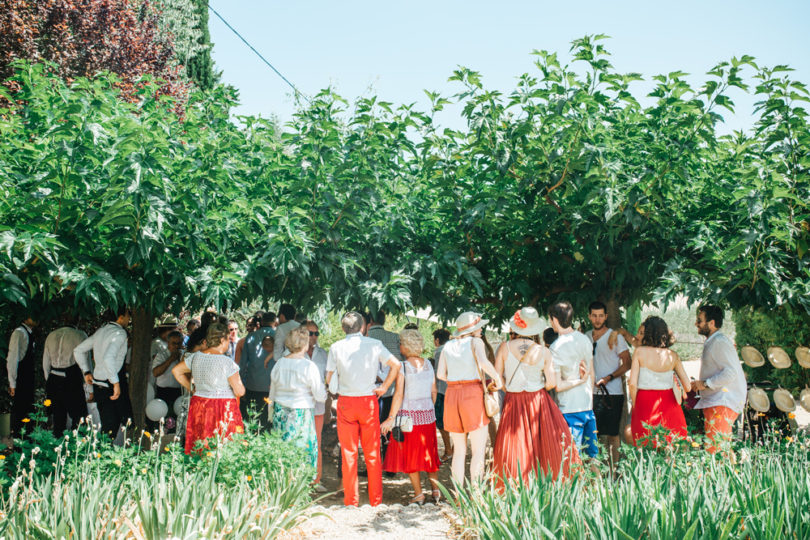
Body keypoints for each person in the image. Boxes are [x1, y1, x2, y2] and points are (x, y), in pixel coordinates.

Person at [493, 308, 581, 487]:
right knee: (545, 445)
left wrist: (508, 387)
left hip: (513, 401)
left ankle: (517, 486)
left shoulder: (504, 348)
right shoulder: (544, 352)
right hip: (538, 402)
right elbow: (550, 384)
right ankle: (547, 485)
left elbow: (497, 379)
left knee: (515, 445)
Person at [325, 311, 400, 507]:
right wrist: (384, 387)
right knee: (373, 452)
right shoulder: (374, 345)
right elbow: (396, 364)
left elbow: (328, 377)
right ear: (363, 327)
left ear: (343, 328)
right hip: (368, 401)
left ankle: (351, 500)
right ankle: (376, 499)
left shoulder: (336, 347)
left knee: (348, 452)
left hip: (346, 402)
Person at [436, 311, 502, 487]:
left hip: (452, 394)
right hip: (472, 393)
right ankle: (476, 493)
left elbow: (441, 374)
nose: (481, 329)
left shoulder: (448, 346)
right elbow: (483, 362)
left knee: (459, 450)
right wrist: (497, 379)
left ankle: (458, 495)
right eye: (479, 326)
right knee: (478, 450)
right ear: (472, 329)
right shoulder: (476, 342)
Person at [381, 329, 441, 504]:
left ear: (406, 346)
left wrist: (391, 418)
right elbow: (434, 391)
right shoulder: (429, 365)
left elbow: (398, 395)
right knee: (430, 454)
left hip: (409, 418)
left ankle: (419, 494)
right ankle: (436, 492)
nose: (399, 347)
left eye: (401, 343)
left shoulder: (403, 367)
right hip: (428, 417)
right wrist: (428, 407)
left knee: (411, 455)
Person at [172, 323, 245, 454]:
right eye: (227, 339)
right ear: (222, 340)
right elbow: (240, 391)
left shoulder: (196, 357)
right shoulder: (227, 362)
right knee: (223, 444)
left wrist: (191, 388)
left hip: (199, 403)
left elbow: (176, 371)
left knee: (200, 441)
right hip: (222, 406)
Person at [268, 325, 326, 472]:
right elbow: (320, 395)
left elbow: (272, 390)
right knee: (301, 451)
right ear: (305, 345)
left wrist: (270, 411)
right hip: (301, 413)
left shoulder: (280, 363)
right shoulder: (308, 366)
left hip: (280, 411)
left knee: (282, 450)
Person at [691, 305, 747, 454]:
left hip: (722, 401)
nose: (696, 323)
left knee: (716, 452)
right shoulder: (714, 341)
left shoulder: (719, 342)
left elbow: (730, 373)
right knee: (722, 450)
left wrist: (705, 384)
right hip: (717, 401)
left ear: (712, 323)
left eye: (699, 320)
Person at [629, 316, 691, 447]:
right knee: (672, 446)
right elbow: (688, 386)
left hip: (644, 401)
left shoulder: (639, 352)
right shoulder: (672, 355)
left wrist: (635, 404)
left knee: (645, 446)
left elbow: (633, 383)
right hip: (669, 402)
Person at [548, 301, 598, 460]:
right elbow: (592, 373)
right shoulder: (584, 340)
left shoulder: (555, 347)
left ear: (555, 319)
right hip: (587, 405)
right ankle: (598, 485)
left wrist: (579, 381)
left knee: (571, 458)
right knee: (592, 457)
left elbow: (558, 386)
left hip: (569, 408)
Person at [74, 307, 132, 436]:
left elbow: (78, 350)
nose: (129, 319)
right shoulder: (120, 333)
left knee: (109, 426)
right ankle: (103, 453)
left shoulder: (100, 331)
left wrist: (86, 372)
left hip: (98, 385)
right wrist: (116, 383)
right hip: (111, 385)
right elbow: (108, 357)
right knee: (113, 427)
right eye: (128, 315)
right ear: (121, 317)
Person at [585, 301, 631, 465]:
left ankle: (614, 472)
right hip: (591, 393)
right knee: (592, 434)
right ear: (589, 316)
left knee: (612, 435)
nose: (597, 319)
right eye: (594, 316)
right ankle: (596, 473)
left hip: (612, 393)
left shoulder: (615, 336)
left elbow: (628, 363)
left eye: (600, 316)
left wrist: (609, 378)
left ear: (606, 316)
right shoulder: (585, 336)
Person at [366, 309, 403, 469]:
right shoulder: (395, 337)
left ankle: (373, 465)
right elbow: (399, 363)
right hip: (393, 389)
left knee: (372, 429)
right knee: (389, 427)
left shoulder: (366, 339)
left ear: (370, 321)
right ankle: (390, 464)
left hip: (372, 389)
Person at [42, 318, 88, 436]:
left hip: (53, 378)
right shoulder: (80, 335)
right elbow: (86, 363)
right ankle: (76, 446)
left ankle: (58, 444)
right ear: (78, 321)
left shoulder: (51, 335)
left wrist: (49, 381)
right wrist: (89, 387)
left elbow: (45, 363)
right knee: (79, 417)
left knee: (58, 417)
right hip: (71, 380)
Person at [239, 312, 276, 426]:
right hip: (272, 385)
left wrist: (241, 384)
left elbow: (243, 363)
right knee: (269, 420)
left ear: (262, 322)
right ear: (274, 322)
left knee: (253, 418)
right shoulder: (278, 336)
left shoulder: (251, 337)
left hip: (253, 384)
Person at [305, 320, 329, 489]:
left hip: (318, 404)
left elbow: (328, 379)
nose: (313, 337)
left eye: (316, 333)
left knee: (316, 442)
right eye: (310, 333)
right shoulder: (292, 353)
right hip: (300, 403)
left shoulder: (323, 354)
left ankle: (316, 479)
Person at [6, 315, 39, 436]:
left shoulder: (28, 333)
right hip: (21, 379)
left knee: (28, 410)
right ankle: (17, 441)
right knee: (20, 411)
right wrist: (12, 382)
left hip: (28, 378)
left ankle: (27, 440)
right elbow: (12, 358)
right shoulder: (19, 332)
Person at [431, 328, 453, 462]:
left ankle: (448, 449)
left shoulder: (439, 351)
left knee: (441, 422)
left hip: (442, 390)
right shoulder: (453, 349)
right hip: (454, 390)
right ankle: (454, 449)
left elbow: (437, 373)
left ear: (437, 340)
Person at [151, 330, 184, 416]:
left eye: (179, 343)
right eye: (174, 343)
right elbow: (155, 373)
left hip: (179, 391)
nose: (177, 346)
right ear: (168, 343)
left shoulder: (184, 355)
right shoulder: (161, 355)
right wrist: (171, 359)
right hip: (163, 391)